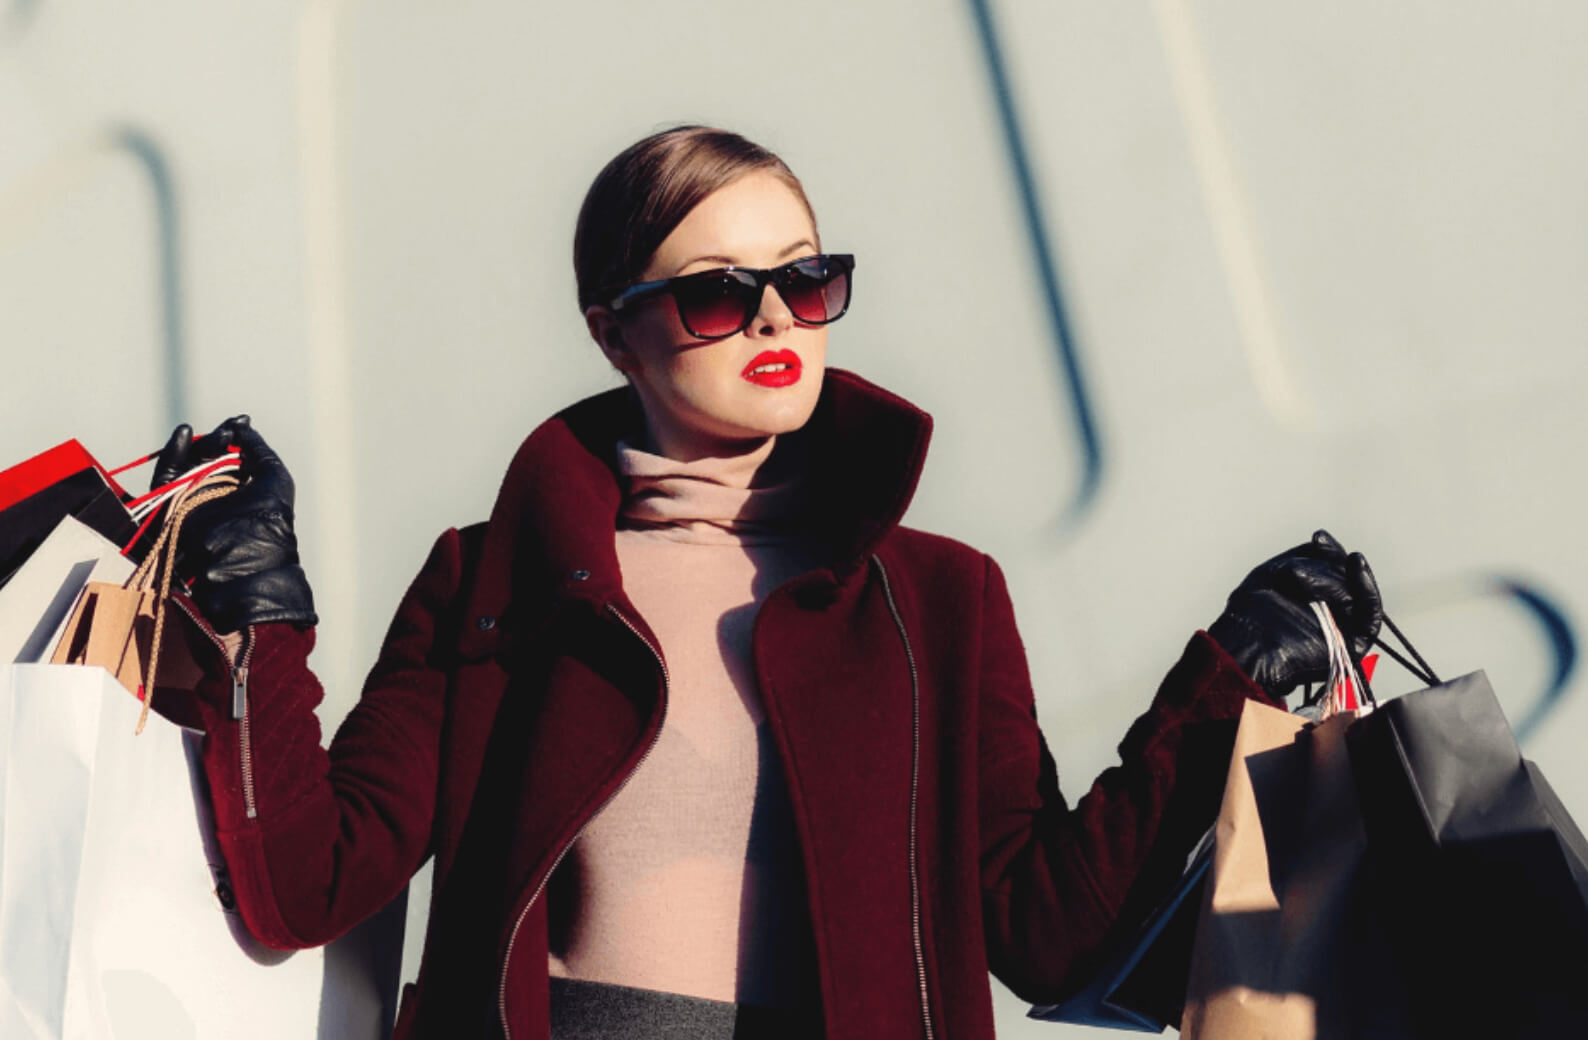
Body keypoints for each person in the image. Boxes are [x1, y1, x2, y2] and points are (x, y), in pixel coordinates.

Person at [152, 126, 1384, 1040]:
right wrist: (258, 610)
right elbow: (305, 881)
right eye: (713, 294)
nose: (773, 320)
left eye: (804, 279)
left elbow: (1045, 933)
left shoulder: (939, 601)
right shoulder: (495, 577)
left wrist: (1224, 682)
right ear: (611, 330)